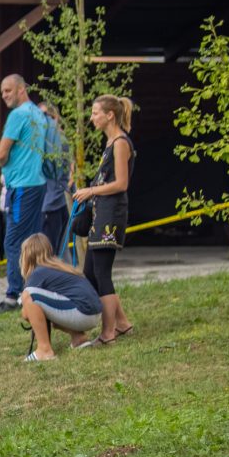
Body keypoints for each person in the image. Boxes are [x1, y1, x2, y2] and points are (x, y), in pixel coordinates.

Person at [73, 94, 137, 345]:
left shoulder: (120, 143)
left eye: (95, 113)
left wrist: (91, 191)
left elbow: (121, 184)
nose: (92, 118)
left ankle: (108, 332)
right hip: (101, 214)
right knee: (90, 271)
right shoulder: (111, 142)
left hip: (111, 215)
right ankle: (122, 323)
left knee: (101, 272)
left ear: (110, 115)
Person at [0, 74, 49, 314]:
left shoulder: (18, 115)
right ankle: (34, 289)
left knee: (13, 241)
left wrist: (1, 161)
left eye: (8, 90)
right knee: (33, 240)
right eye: (2, 91)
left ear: (22, 89)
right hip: (38, 183)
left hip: (21, 185)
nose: (4, 95)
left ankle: (12, 295)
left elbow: (1, 153)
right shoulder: (38, 114)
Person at [19, 233, 102, 360]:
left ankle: (44, 350)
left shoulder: (38, 273)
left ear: (27, 255)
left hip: (83, 313)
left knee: (28, 295)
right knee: (40, 304)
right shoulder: (59, 267)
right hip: (95, 314)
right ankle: (78, 338)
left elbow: (26, 308)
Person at [40, 102, 72, 251]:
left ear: (56, 117)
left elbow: (63, 172)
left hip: (53, 201)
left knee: (50, 250)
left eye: (48, 116)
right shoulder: (43, 141)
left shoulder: (57, 142)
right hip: (53, 200)